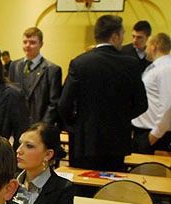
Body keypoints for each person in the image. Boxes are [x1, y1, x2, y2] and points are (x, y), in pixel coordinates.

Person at [59, 15, 148, 172]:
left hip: (85, 140)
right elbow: (141, 104)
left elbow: (64, 104)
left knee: (81, 183)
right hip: (117, 141)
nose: (123, 39)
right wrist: (121, 117)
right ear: (114, 36)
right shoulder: (131, 64)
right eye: (122, 34)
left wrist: (77, 124)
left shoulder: (80, 63)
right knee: (112, 184)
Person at [14, 123, 73, 204]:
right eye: (20, 144)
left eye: (29, 146)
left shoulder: (63, 189)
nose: (19, 150)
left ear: (48, 155)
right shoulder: (8, 181)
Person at [8, 27, 62, 125]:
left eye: (32, 42)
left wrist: (41, 127)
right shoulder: (14, 66)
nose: (27, 45)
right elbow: (10, 96)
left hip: (39, 124)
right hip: (17, 124)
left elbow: (54, 103)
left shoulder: (52, 69)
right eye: (25, 42)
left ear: (41, 44)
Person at [131, 33, 171, 154]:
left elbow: (168, 104)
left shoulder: (166, 68)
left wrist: (154, 135)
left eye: (147, 45)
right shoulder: (156, 67)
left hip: (155, 135)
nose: (145, 49)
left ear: (154, 46)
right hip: (146, 132)